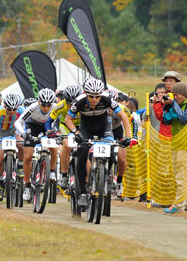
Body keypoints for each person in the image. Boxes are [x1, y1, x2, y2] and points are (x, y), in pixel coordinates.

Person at [64, 77, 132, 210]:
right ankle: (83, 193)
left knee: (112, 151)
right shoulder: (79, 101)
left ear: (101, 94)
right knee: (82, 156)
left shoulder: (107, 100)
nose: (94, 99)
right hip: (86, 128)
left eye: (97, 96)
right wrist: (75, 133)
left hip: (104, 127)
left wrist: (127, 136)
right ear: (85, 94)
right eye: (91, 96)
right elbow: (68, 119)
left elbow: (124, 117)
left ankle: (107, 178)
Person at [14, 88, 58, 201]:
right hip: (32, 126)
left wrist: (57, 133)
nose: (46, 108)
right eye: (43, 105)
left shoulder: (54, 107)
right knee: (28, 156)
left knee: (53, 147)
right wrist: (24, 134)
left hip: (47, 126)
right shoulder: (33, 107)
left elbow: (60, 121)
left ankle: (52, 171)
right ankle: (27, 186)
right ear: (39, 102)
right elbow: (18, 122)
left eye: (49, 105)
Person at [160, 82, 187, 213]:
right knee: (179, 176)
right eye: (173, 95)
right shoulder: (176, 105)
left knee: (181, 176)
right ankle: (181, 203)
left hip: (184, 146)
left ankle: (179, 205)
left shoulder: (185, 105)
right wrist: (166, 106)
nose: (175, 97)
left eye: (177, 95)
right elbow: (166, 120)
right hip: (177, 145)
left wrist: (174, 104)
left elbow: (183, 119)